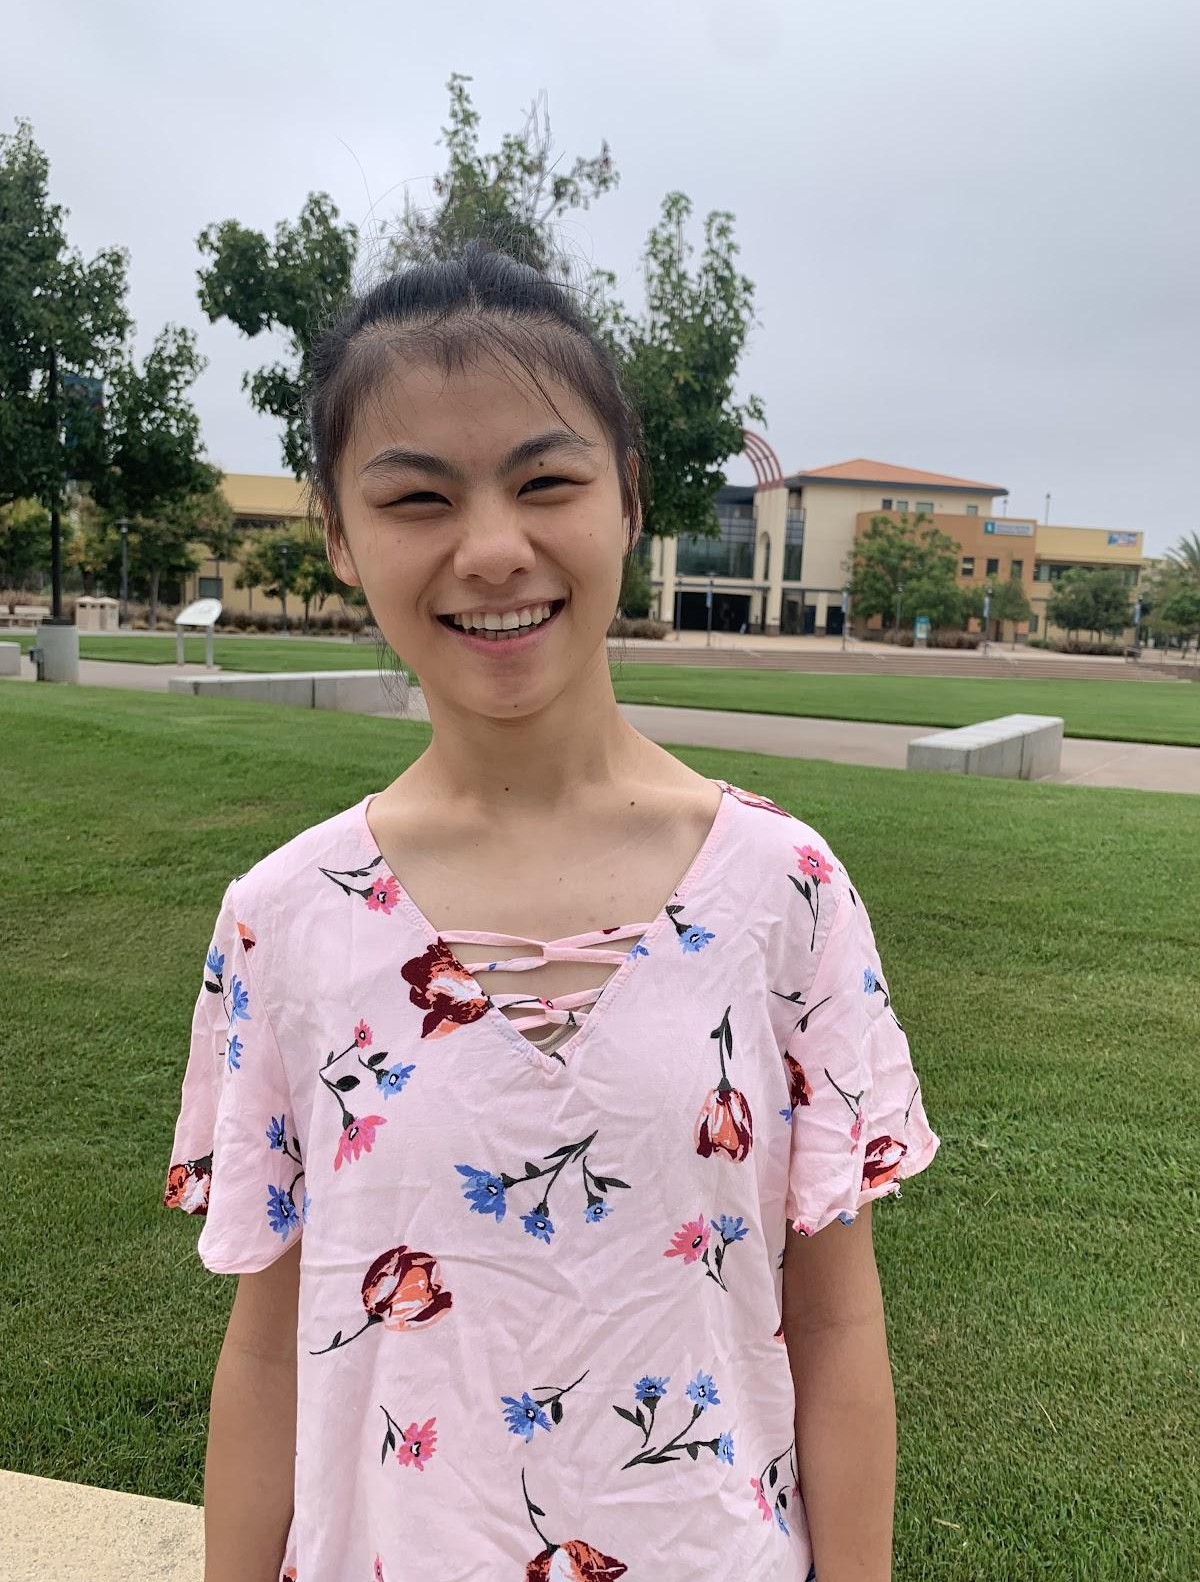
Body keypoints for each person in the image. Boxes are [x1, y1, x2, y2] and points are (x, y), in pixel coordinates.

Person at [163, 245, 940, 1582]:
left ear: (631, 500)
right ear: (341, 537)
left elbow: (835, 1330)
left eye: (547, 481)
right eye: (417, 498)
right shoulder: (281, 922)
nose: (493, 549)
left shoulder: (785, 894)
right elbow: (269, 1351)